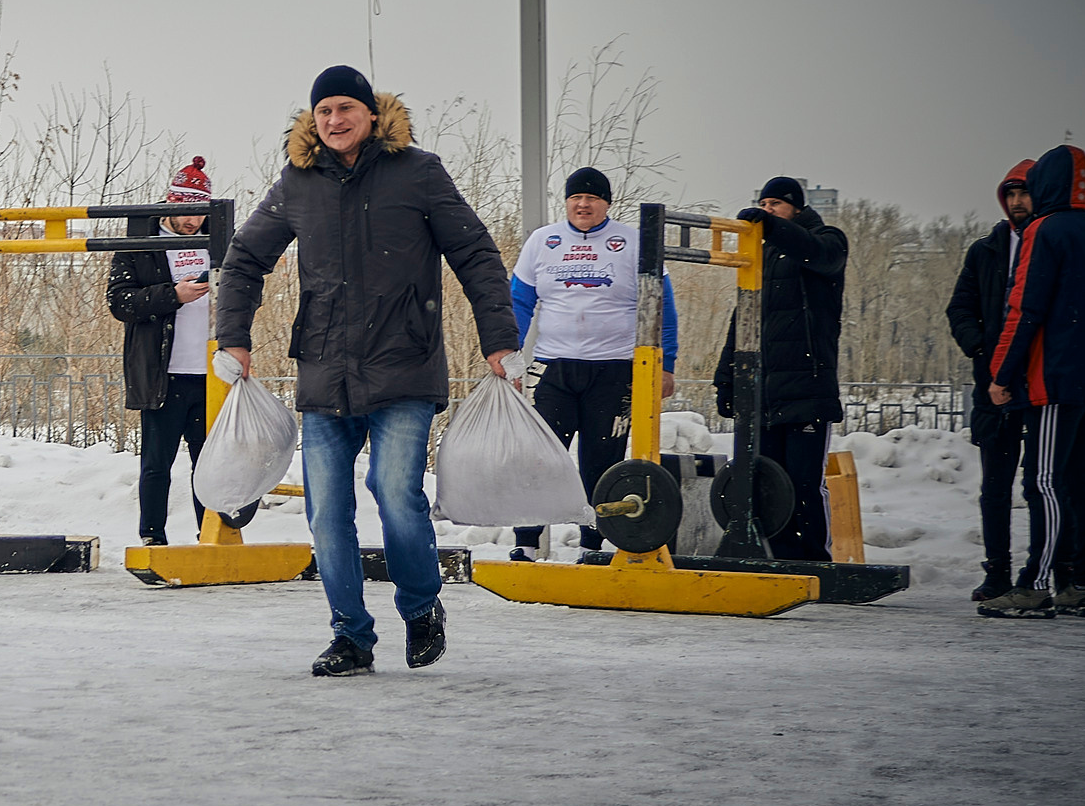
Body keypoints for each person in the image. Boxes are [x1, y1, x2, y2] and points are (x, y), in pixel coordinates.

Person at [215, 65, 519, 678]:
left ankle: (419, 605)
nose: (334, 120)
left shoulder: (419, 173)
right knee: (326, 510)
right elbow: (245, 257)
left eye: (345, 109)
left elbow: (476, 253)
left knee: (394, 492)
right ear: (313, 120)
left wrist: (499, 339)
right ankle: (351, 635)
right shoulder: (298, 183)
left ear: (371, 115)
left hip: (404, 364)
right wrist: (234, 336)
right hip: (325, 370)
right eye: (323, 111)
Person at [978, 144, 1085, 620]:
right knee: (1082, 480)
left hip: (1053, 377)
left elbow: (1025, 308)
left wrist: (1002, 374)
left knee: (1043, 481)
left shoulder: (1044, 231)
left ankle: (1035, 585)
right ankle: (1082, 585)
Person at [505, 167, 678, 560]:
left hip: (613, 371)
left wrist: (666, 363)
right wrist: (511, 356)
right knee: (541, 457)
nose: (583, 205)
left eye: (592, 198)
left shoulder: (633, 241)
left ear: (607, 204)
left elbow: (663, 304)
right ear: (566, 202)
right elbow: (519, 302)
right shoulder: (542, 241)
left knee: (601, 463)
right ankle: (527, 543)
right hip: (553, 369)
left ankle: (592, 546)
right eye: (576, 198)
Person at [710, 176, 847, 561]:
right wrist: (726, 379)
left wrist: (772, 227)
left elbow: (816, 252)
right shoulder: (762, 255)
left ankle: (814, 561)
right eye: (764, 205)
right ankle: (779, 558)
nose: (768, 211)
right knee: (768, 484)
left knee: (804, 484)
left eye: (776, 205)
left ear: (796, 209)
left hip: (808, 388)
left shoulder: (827, 240)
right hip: (764, 393)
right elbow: (743, 320)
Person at [107, 157, 218, 547]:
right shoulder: (141, 245)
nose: (193, 222)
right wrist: (173, 295)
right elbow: (119, 302)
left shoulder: (216, 242)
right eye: (185, 213)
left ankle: (212, 534)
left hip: (210, 376)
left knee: (210, 466)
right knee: (157, 465)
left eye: (200, 214)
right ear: (169, 205)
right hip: (161, 374)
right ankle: (152, 537)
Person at [945, 160, 1035, 600]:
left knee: (1041, 483)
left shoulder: (1048, 244)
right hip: (991, 383)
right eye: (1011, 194)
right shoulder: (986, 250)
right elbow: (959, 307)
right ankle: (997, 570)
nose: (1018, 202)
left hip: (1037, 383)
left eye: (1025, 193)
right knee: (994, 488)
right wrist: (981, 350)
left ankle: (1041, 574)